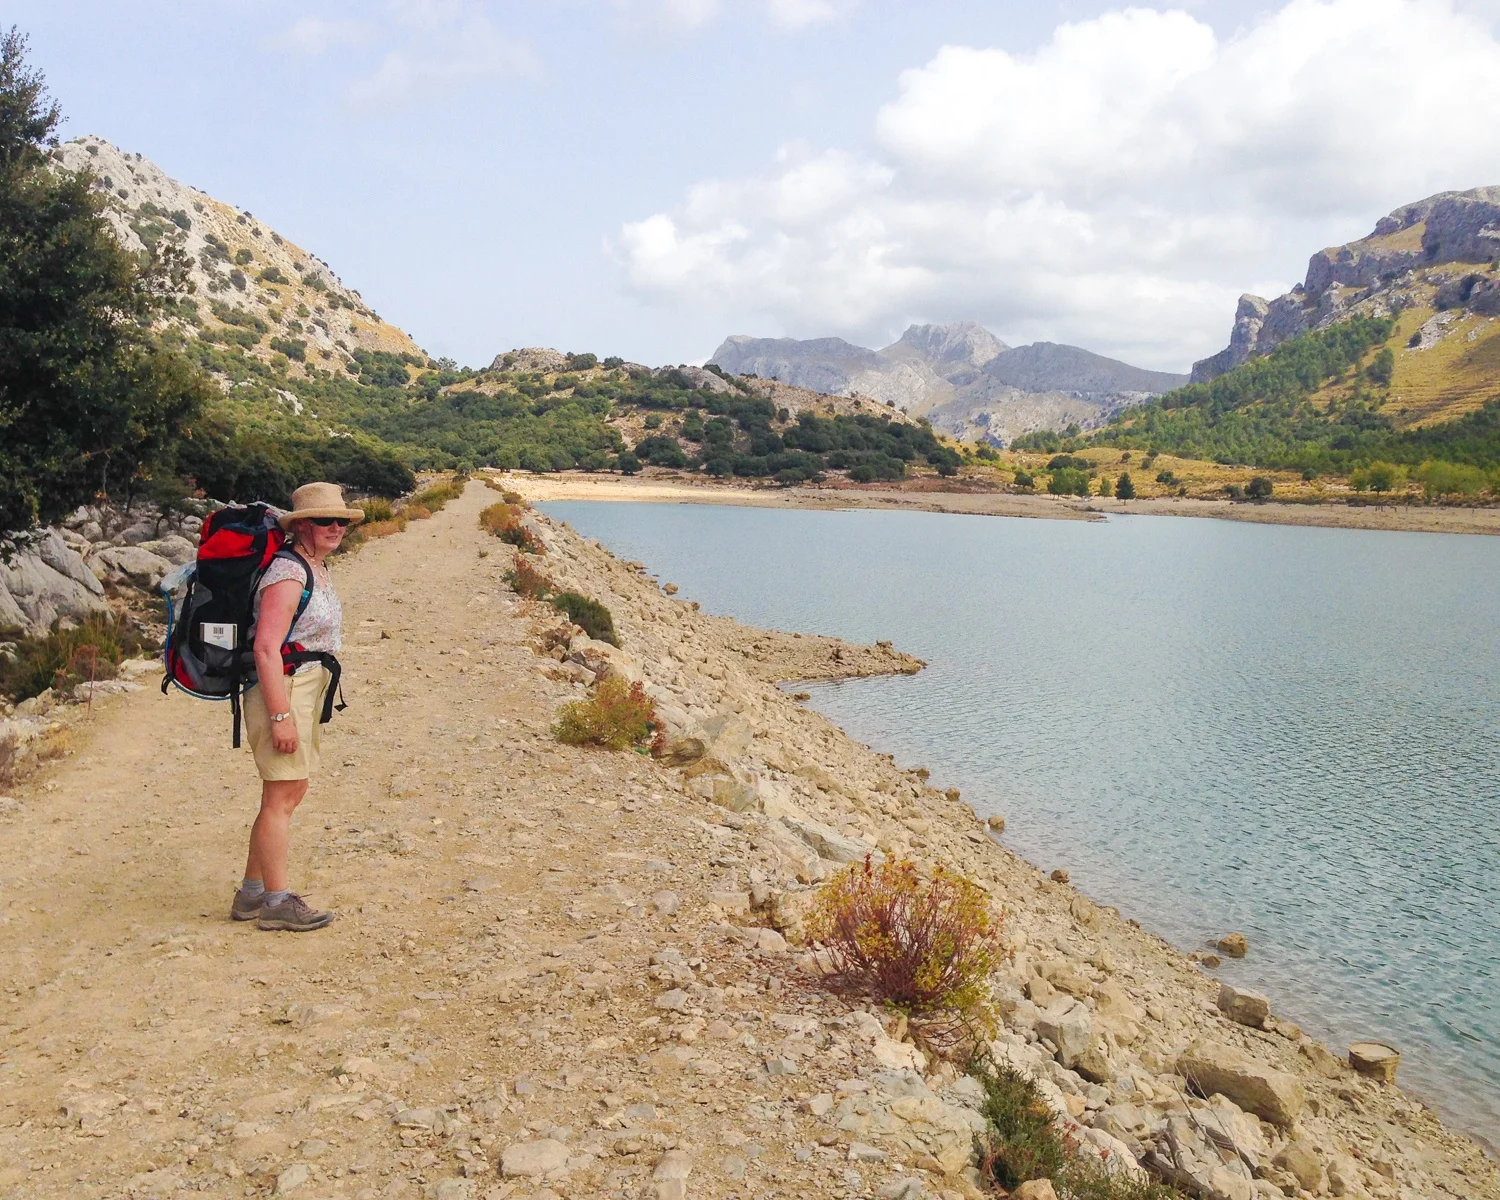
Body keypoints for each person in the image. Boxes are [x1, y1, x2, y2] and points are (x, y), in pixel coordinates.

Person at [231, 482, 362, 931]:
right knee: (281, 797)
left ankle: (251, 894)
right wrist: (280, 715)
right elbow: (266, 648)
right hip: (283, 689)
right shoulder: (288, 572)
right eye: (326, 520)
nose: (336, 528)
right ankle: (276, 902)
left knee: (286, 793)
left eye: (341, 520)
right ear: (301, 525)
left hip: (306, 687)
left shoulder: (314, 566)